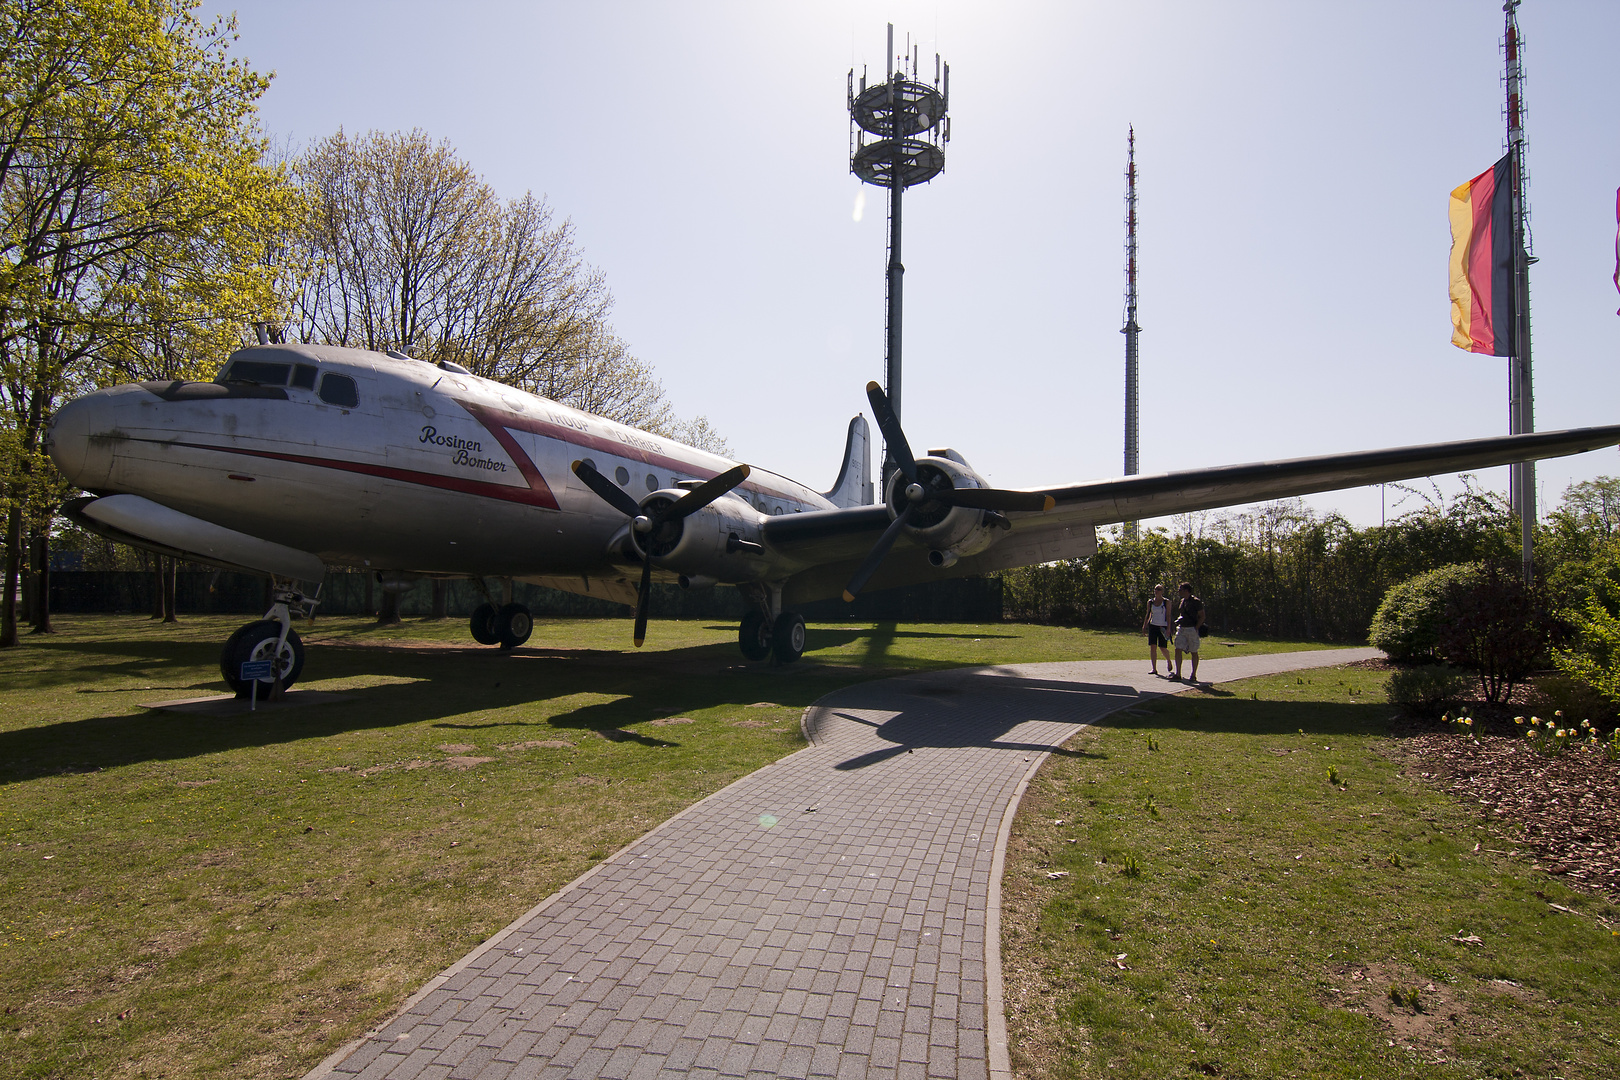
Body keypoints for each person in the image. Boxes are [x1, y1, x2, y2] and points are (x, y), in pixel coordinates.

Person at [1171, 581, 1205, 683]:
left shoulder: (1196, 601)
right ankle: (1178, 674)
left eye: (1180, 589)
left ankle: (1193, 674)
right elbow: (1182, 614)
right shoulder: (1183, 601)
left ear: (1186, 590)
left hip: (1191, 629)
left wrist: (1196, 627)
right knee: (1178, 649)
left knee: (1193, 651)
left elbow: (1202, 616)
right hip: (1182, 628)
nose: (1179, 591)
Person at [1142, 584, 1172, 675]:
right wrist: (1144, 626)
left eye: (1159, 589)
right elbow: (1148, 614)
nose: (1157, 591)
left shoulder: (1166, 602)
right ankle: (1154, 668)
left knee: (1162, 647)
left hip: (1163, 626)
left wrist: (1169, 628)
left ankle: (1169, 661)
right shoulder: (1150, 602)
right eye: (1155, 589)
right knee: (1153, 647)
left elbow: (1168, 615)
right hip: (1153, 625)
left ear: (1162, 591)